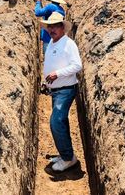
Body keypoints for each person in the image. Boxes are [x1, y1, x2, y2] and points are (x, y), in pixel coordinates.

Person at [41, 11, 83, 173]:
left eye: (55, 27)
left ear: (62, 28)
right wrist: (47, 82)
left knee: (56, 122)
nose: (51, 30)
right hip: (55, 90)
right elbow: (52, 64)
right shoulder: (52, 42)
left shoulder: (68, 44)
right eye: (49, 27)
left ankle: (68, 159)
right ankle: (65, 153)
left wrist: (57, 74)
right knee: (60, 123)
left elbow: (77, 66)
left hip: (65, 90)